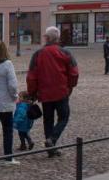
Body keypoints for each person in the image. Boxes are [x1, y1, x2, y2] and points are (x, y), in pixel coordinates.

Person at [27, 26, 79, 157]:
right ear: (57, 38)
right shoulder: (65, 53)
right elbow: (74, 73)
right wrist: (70, 87)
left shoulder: (37, 54)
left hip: (45, 94)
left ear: (47, 38)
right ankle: (52, 140)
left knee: (48, 120)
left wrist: (32, 93)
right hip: (61, 92)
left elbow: (31, 76)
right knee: (64, 117)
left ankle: (51, 147)